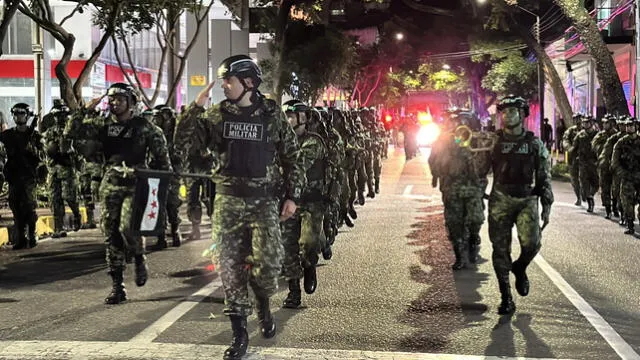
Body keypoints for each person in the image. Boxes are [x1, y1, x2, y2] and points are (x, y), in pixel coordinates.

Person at [175, 55, 304, 360]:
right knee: (230, 269)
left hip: (264, 202)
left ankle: (262, 303)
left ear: (248, 82)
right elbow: (184, 146)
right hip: (228, 201)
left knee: (269, 269)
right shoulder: (217, 116)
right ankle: (239, 334)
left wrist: (292, 196)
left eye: (228, 80)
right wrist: (194, 110)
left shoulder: (272, 114)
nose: (223, 86)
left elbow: (291, 157)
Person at [65, 83, 171, 304]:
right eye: (111, 99)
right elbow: (71, 132)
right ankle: (117, 286)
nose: (114, 103)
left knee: (126, 227)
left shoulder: (144, 127)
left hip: (136, 184)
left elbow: (162, 159)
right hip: (110, 184)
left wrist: (160, 183)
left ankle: (139, 256)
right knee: (111, 233)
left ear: (131, 103)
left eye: (120, 99)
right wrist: (84, 110)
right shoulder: (101, 124)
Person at [488, 95, 553, 315]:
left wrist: (547, 203)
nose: (508, 115)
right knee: (500, 250)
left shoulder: (534, 144)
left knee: (532, 244)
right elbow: (478, 170)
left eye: (513, 111)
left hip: (527, 199)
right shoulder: (492, 142)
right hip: (500, 199)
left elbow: (544, 175)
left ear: (523, 115)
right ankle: (506, 297)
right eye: (504, 111)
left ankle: (521, 267)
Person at [281, 102, 328, 308]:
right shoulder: (281, 141)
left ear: (304, 118)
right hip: (288, 201)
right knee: (288, 248)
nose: (290, 119)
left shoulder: (313, 142)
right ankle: (293, 292)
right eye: (287, 116)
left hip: (311, 201)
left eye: (294, 115)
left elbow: (300, 163)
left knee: (308, 243)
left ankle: (309, 264)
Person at [0, 103, 46, 250]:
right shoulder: (7, 135)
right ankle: (20, 238)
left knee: (28, 207)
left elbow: (44, 156)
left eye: (21, 114)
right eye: (16, 114)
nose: (18, 116)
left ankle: (31, 235)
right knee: (15, 208)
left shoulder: (35, 136)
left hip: (28, 177)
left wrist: (32, 150)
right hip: (13, 176)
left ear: (27, 116)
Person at [43, 102, 82, 237]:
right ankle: (59, 228)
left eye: (62, 115)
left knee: (69, 196)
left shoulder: (72, 133)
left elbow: (79, 150)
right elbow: (44, 149)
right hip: (53, 170)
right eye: (56, 116)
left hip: (67, 169)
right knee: (55, 199)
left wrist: (70, 152)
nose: (59, 118)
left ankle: (77, 214)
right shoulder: (48, 132)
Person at [151, 105, 183, 249]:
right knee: (158, 205)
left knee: (172, 203)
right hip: (157, 172)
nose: (155, 120)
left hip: (173, 173)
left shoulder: (177, 134)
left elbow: (181, 153)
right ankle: (161, 237)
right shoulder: (154, 133)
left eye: (158, 117)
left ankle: (175, 231)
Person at [611, 117, 640, 235]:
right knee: (627, 202)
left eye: (631, 125)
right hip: (627, 176)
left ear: (636, 127)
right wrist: (622, 173)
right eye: (627, 125)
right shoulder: (621, 143)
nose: (629, 127)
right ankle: (630, 224)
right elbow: (615, 161)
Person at [591, 114, 618, 218]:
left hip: (615, 166)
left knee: (615, 188)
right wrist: (602, 149)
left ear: (612, 123)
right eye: (604, 123)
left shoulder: (617, 135)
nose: (605, 125)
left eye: (607, 123)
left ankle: (615, 206)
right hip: (604, 165)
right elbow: (594, 145)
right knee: (605, 188)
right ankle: (608, 209)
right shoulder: (600, 135)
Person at [573, 115, 599, 212]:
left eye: (587, 122)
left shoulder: (597, 135)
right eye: (584, 122)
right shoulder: (580, 135)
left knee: (596, 183)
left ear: (591, 123)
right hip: (583, 163)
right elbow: (574, 148)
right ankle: (589, 201)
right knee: (584, 184)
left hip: (594, 163)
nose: (585, 124)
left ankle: (591, 195)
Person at [562, 114, 582, 205]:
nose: (577, 121)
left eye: (578, 119)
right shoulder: (570, 131)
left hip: (585, 159)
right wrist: (570, 149)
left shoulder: (587, 130)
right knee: (574, 179)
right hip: (573, 158)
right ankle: (578, 197)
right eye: (575, 119)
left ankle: (587, 196)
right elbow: (565, 141)